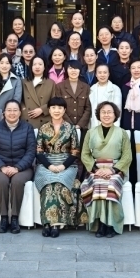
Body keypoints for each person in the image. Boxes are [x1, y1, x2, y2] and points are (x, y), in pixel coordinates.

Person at [34, 97, 88, 237]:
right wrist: (50, 166)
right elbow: (39, 151)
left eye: (60, 108)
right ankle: (47, 223)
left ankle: (56, 224)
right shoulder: (43, 128)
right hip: (46, 164)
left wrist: (63, 166)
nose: (56, 110)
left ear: (64, 110)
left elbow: (75, 152)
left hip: (67, 165)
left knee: (59, 184)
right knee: (48, 185)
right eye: (53, 108)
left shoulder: (70, 128)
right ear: (49, 110)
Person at [80, 102, 132, 237]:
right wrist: (95, 169)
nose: (106, 115)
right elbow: (85, 154)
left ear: (115, 115)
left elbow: (127, 156)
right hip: (95, 169)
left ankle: (111, 225)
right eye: (103, 112)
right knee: (96, 183)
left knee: (111, 185)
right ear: (98, 115)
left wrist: (113, 170)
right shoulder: (91, 132)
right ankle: (100, 224)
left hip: (116, 170)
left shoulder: (122, 133)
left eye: (109, 112)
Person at [0, 100, 37, 234]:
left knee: (17, 181)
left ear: (20, 112)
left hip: (22, 167)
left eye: (15, 110)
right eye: (9, 110)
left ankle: (14, 218)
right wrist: (2, 167)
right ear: (4, 112)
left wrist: (18, 168)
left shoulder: (27, 128)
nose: (12, 113)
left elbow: (31, 152)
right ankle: (3, 218)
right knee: (2, 181)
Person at [0, 54, 23, 124]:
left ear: (11, 65)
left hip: (10, 116)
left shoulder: (16, 80)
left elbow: (17, 99)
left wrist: (5, 114)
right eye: (2, 63)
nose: (4, 66)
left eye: (7, 63)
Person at [55, 60, 92, 131]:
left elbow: (88, 108)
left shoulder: (86, 87)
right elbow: (59, 107)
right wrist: (70, 125)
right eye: (70, 68)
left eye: (76, 68)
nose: (73, 71)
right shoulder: (59, 87)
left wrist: (80, 125)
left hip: (82, 127)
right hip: (64, 127)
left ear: (80, 70)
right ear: (66, 70)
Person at [22, 56, 56, 129]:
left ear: (44, 67)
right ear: (31, 67)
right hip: (27, 119)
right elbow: (19, 99)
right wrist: (24, 110)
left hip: (44, 121)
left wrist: (42, 109)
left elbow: (54, 101)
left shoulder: (51, 83)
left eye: (40, 64)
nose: (37, 67)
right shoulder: (23, 82)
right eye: (34, 64)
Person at [89, 64, 122, 129]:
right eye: (99, 72)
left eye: (105, 72)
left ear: (108, 74)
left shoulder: (115, 89)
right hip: (95, 125)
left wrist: (115, 128)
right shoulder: (92, 89)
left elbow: (118, 110)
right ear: (96, 74)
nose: (102, 75)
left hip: (111, 126)